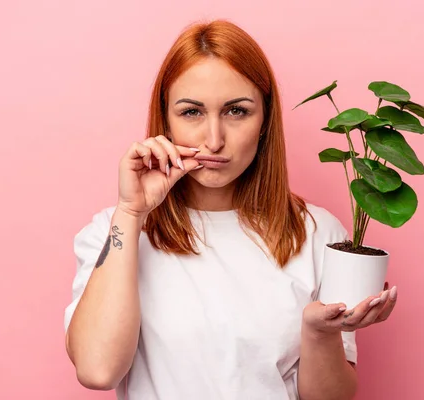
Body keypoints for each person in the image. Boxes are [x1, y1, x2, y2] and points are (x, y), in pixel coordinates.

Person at [63, 19, 397, 400]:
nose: (214, 139)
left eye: (236, 111)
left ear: (265, 121)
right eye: (191, 112)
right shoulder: (113, 231)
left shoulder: (319, 234)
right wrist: (130, 212)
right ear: (166, 122)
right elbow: (96, 370)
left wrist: (319, 333)